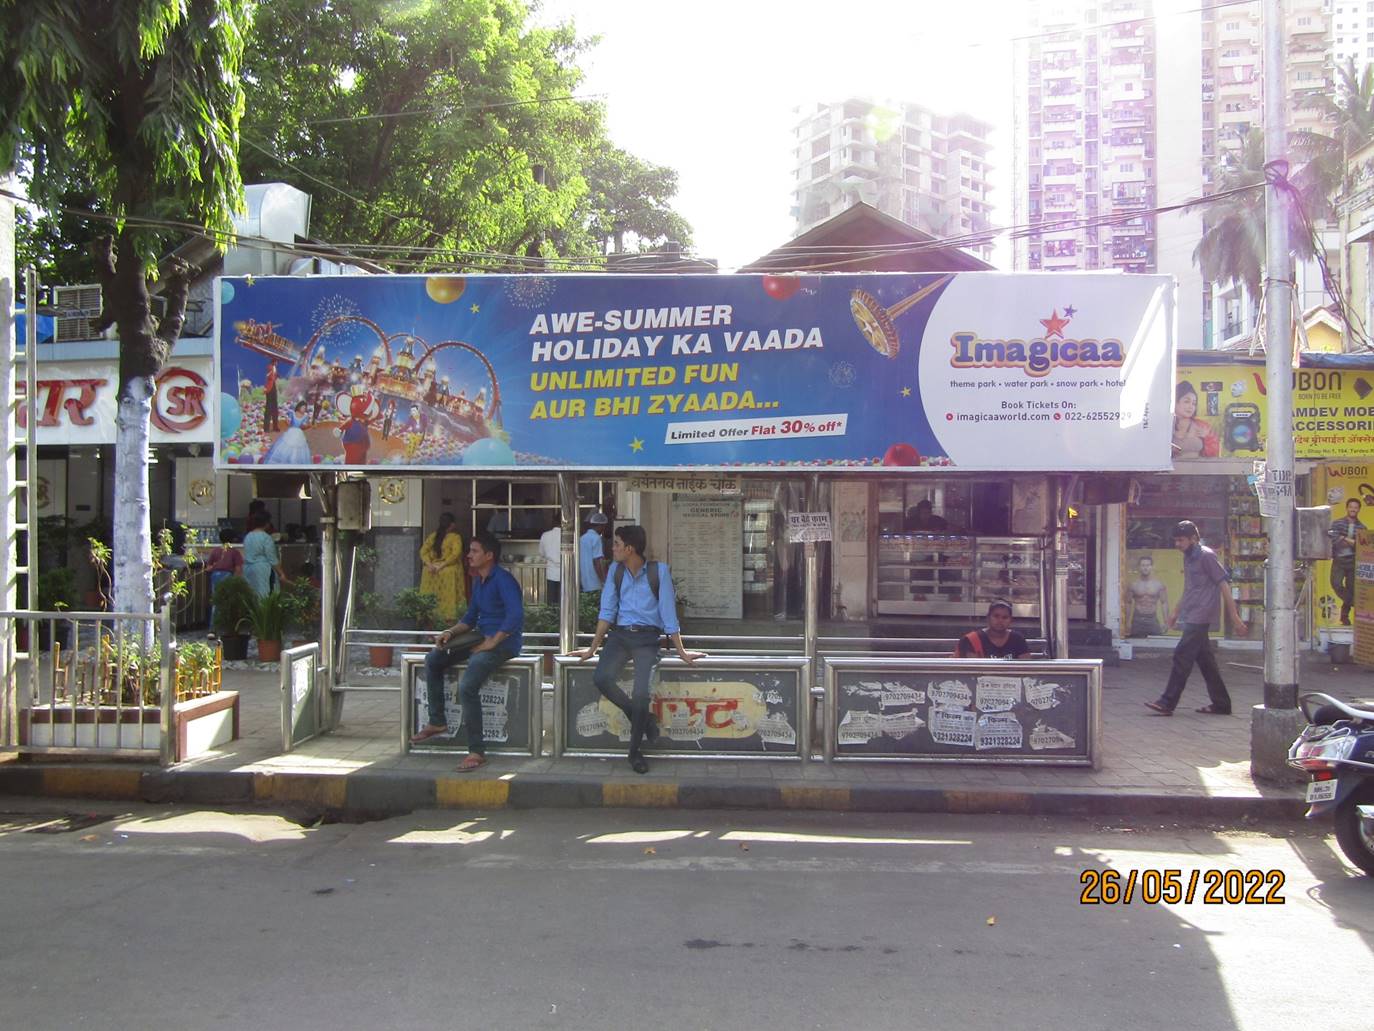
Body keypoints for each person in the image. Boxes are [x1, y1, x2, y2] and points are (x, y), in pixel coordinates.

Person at [571, 524, 705, 774]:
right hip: (620, 636)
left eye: (617, 545)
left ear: (629, 549)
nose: (613, 550)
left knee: (642, 693)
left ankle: (634, 753)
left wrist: (681, 652)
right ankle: (643, 719)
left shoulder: (659, 572)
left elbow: (668, 613)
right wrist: (592, 648)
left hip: (647, 639)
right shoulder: (615, 571)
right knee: (602, 678)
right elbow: (607, 611)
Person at [411, 531, 523, 771]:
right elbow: (470, 617)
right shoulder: (477, 580)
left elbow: (515, 616)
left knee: (467, 686)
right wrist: (450, 633)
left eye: (474, 551)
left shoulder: (504, 580)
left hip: (503, 644)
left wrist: (493, 643)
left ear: (489, 555)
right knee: (434, 659)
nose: (468, 555)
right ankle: (437, 721)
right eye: (470, 551)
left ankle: (476, 751)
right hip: (480, 636)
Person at [1146, 520, 1248, 716]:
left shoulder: (1206, 556)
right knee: (1205, 661)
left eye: (1181, 540)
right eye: (1176, 540)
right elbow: (1189, 588)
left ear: (1194, 539)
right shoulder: (1188, 557)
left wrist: (1234, 617)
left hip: (1202, 614)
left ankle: (1167, 702)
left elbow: (1223, 584)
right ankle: (1221, 704)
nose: (1177, 544)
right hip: (1192, 612)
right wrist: (1175, 612)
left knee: (1182, 655)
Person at [419, 512, 466, 624]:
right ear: (452, 525)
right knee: (449, 600)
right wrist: (442, 566)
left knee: (431, 601)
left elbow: (423, 551)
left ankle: (430, 629)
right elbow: (456, 554)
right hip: (449, 572)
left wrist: (430, 564)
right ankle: (448, 627)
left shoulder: (433, 536)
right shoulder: (455, 537)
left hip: (430, 572)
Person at [952, 601, 1031, 659]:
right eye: (996, 616)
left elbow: (1026, 668)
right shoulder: (971, 640)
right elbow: (974, 670)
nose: (1000, 620)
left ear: (1011, 620)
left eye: (1005, 617)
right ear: (988, 617)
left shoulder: (1018, 639)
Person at [1329, 498, 1365, 626]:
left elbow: (1361, 546)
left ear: (1359, 509)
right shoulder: (1337, 523)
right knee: (1336, 583)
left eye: (1355, 507)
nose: (1353, 509)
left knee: (1351, 588)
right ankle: (1354, 602)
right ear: (1347, 508)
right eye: (1351, 507)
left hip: (1353, 560)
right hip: (1339, 559)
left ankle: (1344, 617)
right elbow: (1333, 539)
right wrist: (1352, 541)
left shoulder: (1362, 527)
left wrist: (1343, 538)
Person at [242, 511, 288, 598]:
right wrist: (281, 573)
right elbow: (272, 559)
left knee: (251, 595)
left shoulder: (248, 536)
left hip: (248, 569)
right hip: (263, 570)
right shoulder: (266, 538)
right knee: (264, 596)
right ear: (267, 523)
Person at [1172, 381, 1220, 459]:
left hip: (1198, 470)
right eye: (1187, 402)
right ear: (1175, 402)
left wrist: (1207, 438)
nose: (1191, 407)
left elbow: (1214, 456)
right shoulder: (1165, 426)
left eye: (1194, 403)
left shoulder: (1203, 426)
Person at [205, 529, 244, 624]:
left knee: (216, 600)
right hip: (228, 575)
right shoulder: (235, 552)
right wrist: (237, 581)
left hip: (215, 575)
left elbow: (208, 568)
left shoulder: (215, 551)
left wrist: (215, 566)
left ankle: (213, 628)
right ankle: (227, 627)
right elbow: (238, 569)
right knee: (228, 601)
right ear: (233, 539)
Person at [1125, 555, 1170, 637]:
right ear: (1139, 567)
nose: (1145, 568)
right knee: (1136, 644)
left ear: (1152, 567)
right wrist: (1127, 622)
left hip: (1152, 619)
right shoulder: (1133, 585)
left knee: (1156, 644)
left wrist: (1166, 622)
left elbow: (1164, 603)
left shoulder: (1159, 585)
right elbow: (1128, 603)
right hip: (1137, 620)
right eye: (1143, 565)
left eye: (1148, 565)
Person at [580, 512, 609, 593]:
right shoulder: (596, 538)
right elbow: (598, 562)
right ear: (601, 526)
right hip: (594, 582)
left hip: (583, 580)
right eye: (604, 527)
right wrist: (603, 580)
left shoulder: (582, 538)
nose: (604, 529)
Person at [539, 513, 563, 606]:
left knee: (552, 602)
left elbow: (541, 553)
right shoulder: (569, 536)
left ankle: (552, 620)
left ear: (554, 522)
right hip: (565, 573)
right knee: (563, 602)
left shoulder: (545, 535)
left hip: (551, 573)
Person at [263, 360, 279, 433]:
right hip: (269, 389)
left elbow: (274, 377)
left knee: (275, 408)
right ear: (274, 361)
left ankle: (275, 426)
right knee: (268, 409)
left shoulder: (275, 367)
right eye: (276, 361)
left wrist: (276, 376)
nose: (277, 362)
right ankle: (266, 428)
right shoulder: (269, 367)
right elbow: (268, 376)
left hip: (273, 387)